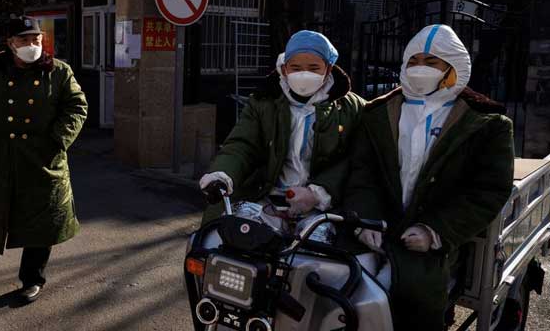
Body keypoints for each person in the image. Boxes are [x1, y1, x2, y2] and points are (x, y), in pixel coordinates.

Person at [342, 24, 515, 329]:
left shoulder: (487, 124)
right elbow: (362, 173)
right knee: (332, 284)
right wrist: (363, 218)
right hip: (377, 228)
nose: (420, 69)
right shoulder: (377, 114)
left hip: (432, 244)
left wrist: (435, 231)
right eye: (413, 61)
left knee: (408, 300)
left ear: (453, 67)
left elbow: (487, 190)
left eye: (431, 62)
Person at [0, 16, 88, 304]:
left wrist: (57, 140)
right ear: (10, 43)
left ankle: (32, 280)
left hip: (43, 161)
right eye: (23, 40)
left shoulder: (58, 71)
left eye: (35, 39)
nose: (31, 45)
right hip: (2, 160)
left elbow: (77, 106)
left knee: (40, 224)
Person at [199, 30, 366, 221]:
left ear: (328, 69)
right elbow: (241, 145)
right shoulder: (263, 102)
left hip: (324, 210)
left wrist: (318, 193)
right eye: (296, 67)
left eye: (313, 68)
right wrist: (222, 173)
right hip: (264, 200)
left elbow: (357, 159)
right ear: (285, 69)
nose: (304, 74)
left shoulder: (351, 109)